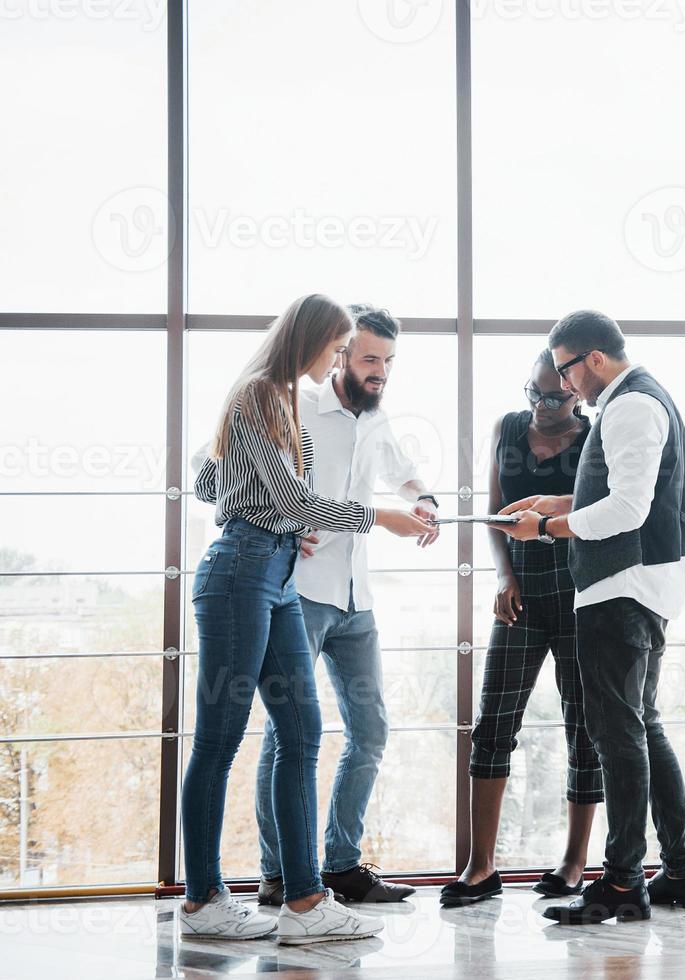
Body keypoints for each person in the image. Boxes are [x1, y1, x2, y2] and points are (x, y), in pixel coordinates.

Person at [181, 294, 434, 944]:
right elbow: (288, 496)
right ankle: (204, 899)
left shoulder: (278, 400)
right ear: (317, 340)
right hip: (240, 571)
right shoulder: (262, 394)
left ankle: (303, 902)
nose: (338, 361)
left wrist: (289, 519)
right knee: (219, 739)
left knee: (302, 730)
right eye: (338, 348)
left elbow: (219, 485)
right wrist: (374, 517)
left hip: (278, 573)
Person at [497, 310, 685, 925]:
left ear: (592, 358)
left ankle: (621, 882)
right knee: (643, 725)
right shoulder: (632, 399)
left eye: (565, 370)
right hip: (638, 584)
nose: (563, 386)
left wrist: (548, 528)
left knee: (618, 736)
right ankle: (680, 871)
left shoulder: (632, 406)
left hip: (622, 586)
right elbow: (615, 490)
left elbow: (628, 508)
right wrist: (554, 502)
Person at [254, 304, 439, 908]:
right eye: (368, 358)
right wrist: (282, 519)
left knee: (370, 731)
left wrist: (425, 498)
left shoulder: (375, 418)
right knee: (286, 738)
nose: (379, 370)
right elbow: (235, 476)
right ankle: (279, 872)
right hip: (300, 593)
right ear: (340, 355)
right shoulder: (297, 407)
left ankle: (340, 864)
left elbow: (403, 472)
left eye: (387, 361)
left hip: (356, 600)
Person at [440, 350, 603, 908]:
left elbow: (606, 511)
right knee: (494, 721)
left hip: (581, 593)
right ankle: (481, 867)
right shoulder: (508, 428)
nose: (539, 406)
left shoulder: (594, 438)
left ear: (576, 394)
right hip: (521, 595)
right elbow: (492, 513)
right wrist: (504, 576)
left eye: (554, 397)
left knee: (584, 726)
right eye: (531, 393)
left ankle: (575, 862)